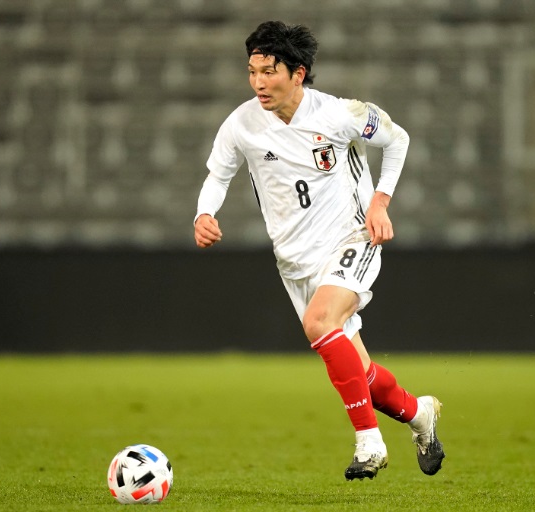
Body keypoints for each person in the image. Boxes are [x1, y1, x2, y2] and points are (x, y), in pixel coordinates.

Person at [194, 20, 445, 481]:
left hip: (351, 238)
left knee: (319, 323)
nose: (258, 83)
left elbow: (398, 138)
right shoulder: (242, 123)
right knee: (360, 374)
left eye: (268, 72)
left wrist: (380, 202)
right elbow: (218, 175)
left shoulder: (340, 114)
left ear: (298, 73)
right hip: (295, 261)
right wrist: (204, 213)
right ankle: (419, 414)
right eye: (252, 72)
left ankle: (369, 443)